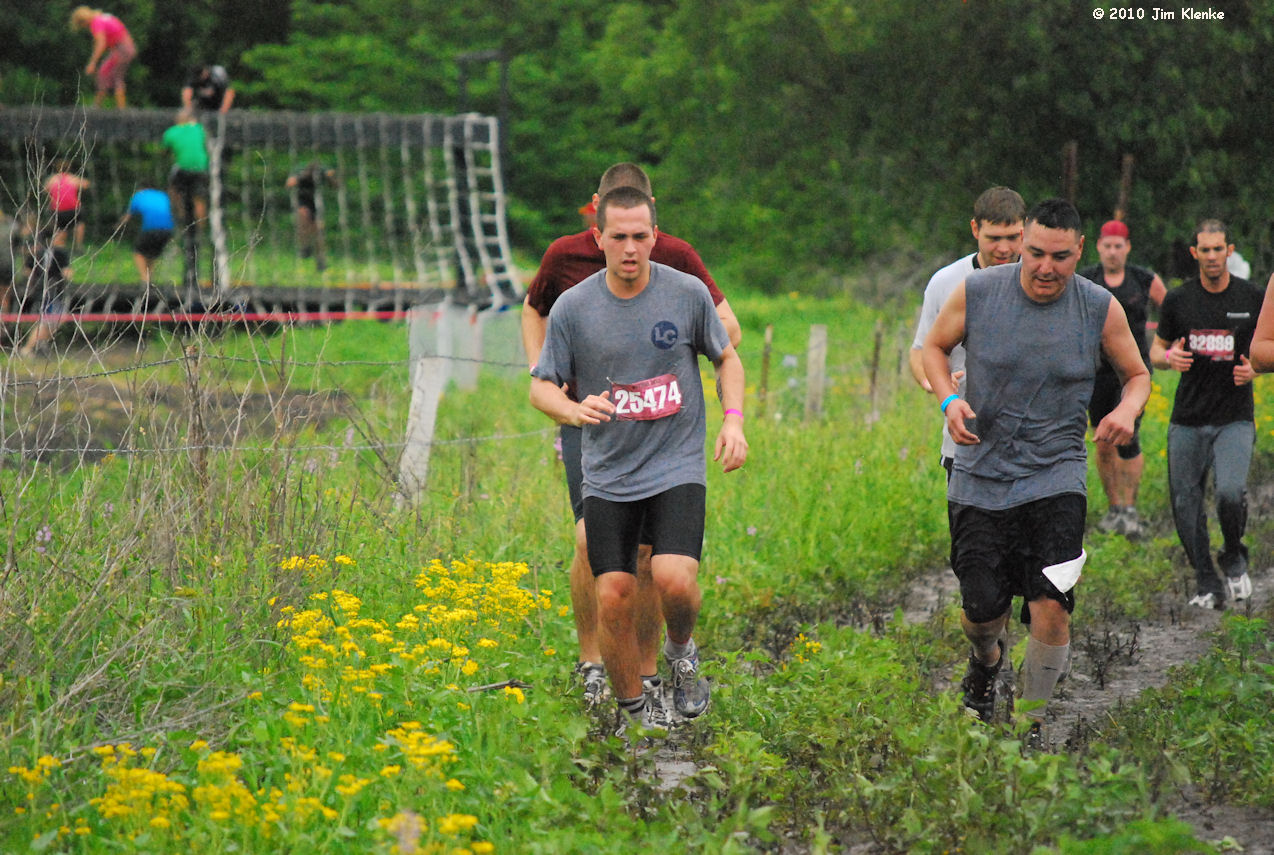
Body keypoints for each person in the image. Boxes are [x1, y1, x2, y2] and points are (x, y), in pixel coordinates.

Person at [922, 199, 1150, 749]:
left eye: (1061, 257)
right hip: (980, 470)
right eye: (1036, 253)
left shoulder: (1099, 306)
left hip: (1056, 474)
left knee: (1051, 600)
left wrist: (1123, 410)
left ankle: (1032, 723)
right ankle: (986, 662)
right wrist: (950, 397)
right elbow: (932, 347)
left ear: (1081, 253)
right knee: (982, 609)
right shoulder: (980, 292)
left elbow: (1137, 374)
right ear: (1022, 244)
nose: (1046, 267)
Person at [521, 163, 742, 709]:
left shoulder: (686, 290)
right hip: (608, 464)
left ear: (654, 236)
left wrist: (733, 419)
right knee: (613, 593)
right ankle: (633, 712)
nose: (629, 248)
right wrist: (573, 410)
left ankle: (680, 654)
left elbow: (727, 352)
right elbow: (540, 386)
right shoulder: (573, 306)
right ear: (596, 236)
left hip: (675, 458)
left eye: (640, 237)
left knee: (671, 577)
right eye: (617, 237)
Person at [1150, 219, 1261, 609]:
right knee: (1185, 503)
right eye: (1205, 250)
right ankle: (1206, 581)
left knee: (1230, 492)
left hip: (1234, 416)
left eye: (1219, 249)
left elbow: (1268, 347)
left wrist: (1257, 368)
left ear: (1229, 251)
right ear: (1194, 253)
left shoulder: (1253, 297)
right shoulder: (1179, 300)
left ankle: (1233, 554)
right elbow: (1156, 351)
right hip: (1188, 418)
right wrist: (1169, 358)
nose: (1212, 256)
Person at [909, 186, 1026, 473]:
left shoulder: (1044, 279)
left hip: (1032, 445)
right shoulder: (945, 282)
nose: (1004, 248)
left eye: (1013, 238)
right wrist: (933, 383)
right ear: (975, 229)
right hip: (965, 442)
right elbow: (920, 352)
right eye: (994, 238)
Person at [1079, 220, 1167, 538]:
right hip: (1097, 371)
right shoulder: (1087, 280)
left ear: (1127, 247)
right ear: (1098, 247)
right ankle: (1114, 508)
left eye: (1119, 246)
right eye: (1107, 246)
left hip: (1133, 372)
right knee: (1103, 440)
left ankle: (1130, 509)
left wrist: (1166, 346)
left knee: (1128, 436)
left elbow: (1171, 311)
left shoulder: (1143, 279)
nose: (1113, 252)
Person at [70, 6, 136, 109]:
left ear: (83, 21)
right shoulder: (101, 17)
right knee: (105, 72)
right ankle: (99, 105)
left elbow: (101, 43)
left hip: (122, 49)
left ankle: (120, 109)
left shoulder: (96, 23)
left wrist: (92, 62)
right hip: (123, 47)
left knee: (114, 75)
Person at [19, 231, 72, 356]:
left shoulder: (38, 252)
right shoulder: (60, 253)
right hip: (54, 290)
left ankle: (39, 344)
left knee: (50, 320)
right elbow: (67, 273)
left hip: (39, 290)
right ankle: (28, 348)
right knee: (50, 320)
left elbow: (26, 271)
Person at [161, 110, 210, 231]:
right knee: (199, 198)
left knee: (173, 190)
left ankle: (180, 215)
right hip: (201, 167)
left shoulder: (171, 132)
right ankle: (200, 228)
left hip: (183, 167)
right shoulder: (199, 129)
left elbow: (165, 151)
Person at [286, 163, 337, 271]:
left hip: (314, 203)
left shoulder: (322, 171)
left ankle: (321, 262)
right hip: (302, 202)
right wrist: (300, 177)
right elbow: (289, 184)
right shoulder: (299, 170)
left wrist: (330, 177)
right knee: (303, 217)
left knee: (319, 232)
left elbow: (336, 185)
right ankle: (305, 247)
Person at [119, 187, 174, 286]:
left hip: (151, 228)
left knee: (138, 251)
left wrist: (117, 227)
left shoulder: (139, 195)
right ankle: (149, 280)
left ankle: (145, 279)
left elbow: (127, 216)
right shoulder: (163, 195)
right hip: (168, 229)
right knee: (152, 253)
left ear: (141, 188)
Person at [44, 163, 91, 250]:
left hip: (58, 209)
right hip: (73, 209)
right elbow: (86, 184)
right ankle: (78, 246)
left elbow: (45, 189)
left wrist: (51, 196)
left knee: (61, 229)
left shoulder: (53, 179)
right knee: (80, 224)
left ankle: (57, 248)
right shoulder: (72, 178)